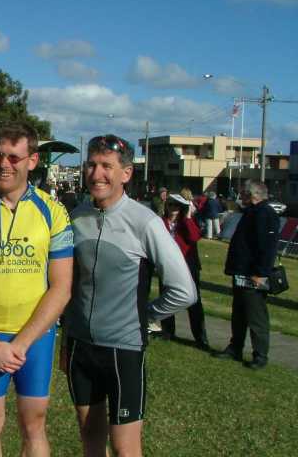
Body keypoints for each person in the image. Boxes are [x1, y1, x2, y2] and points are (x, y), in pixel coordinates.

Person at [62, 135, 196, 457]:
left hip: (123, 350)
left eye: (107, 166)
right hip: (81, 345)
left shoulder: (144, 221)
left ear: (126, 173)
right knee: (90, 438)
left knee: (125, 448)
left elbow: (184, 290)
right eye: (92, 165)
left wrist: (146, 315)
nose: (97, 174)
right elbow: (70, 283)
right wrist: (66, 338)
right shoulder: (76, 217)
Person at [0, 122, 73, 457]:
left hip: (34, 339)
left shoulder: (53, 211)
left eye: (14, 158)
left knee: (33, 425)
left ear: (32, 161)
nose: (3, 164)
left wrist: (20, 343)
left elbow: (62, 287)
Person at [213, 180, 280, 370]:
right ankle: (235, 347)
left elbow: (268, 247)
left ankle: (260, 355)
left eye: (243, 194)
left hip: (253, 275)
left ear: (253, 195)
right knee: (239, 314)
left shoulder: (265, 213)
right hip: (242, 273)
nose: (240, 197)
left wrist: (260, 273)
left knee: (256, 316)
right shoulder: (252, 213)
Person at [159, 194, 210, 350]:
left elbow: (194, 237)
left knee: (194, 301)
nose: (173, 208)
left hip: (188, 266)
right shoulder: (160, 222)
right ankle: (168, 331)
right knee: (166, 298)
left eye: (176, 205)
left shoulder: (187, 222)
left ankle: (200, 337)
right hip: (167, 265)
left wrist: (188, 217)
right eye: (170, 205)